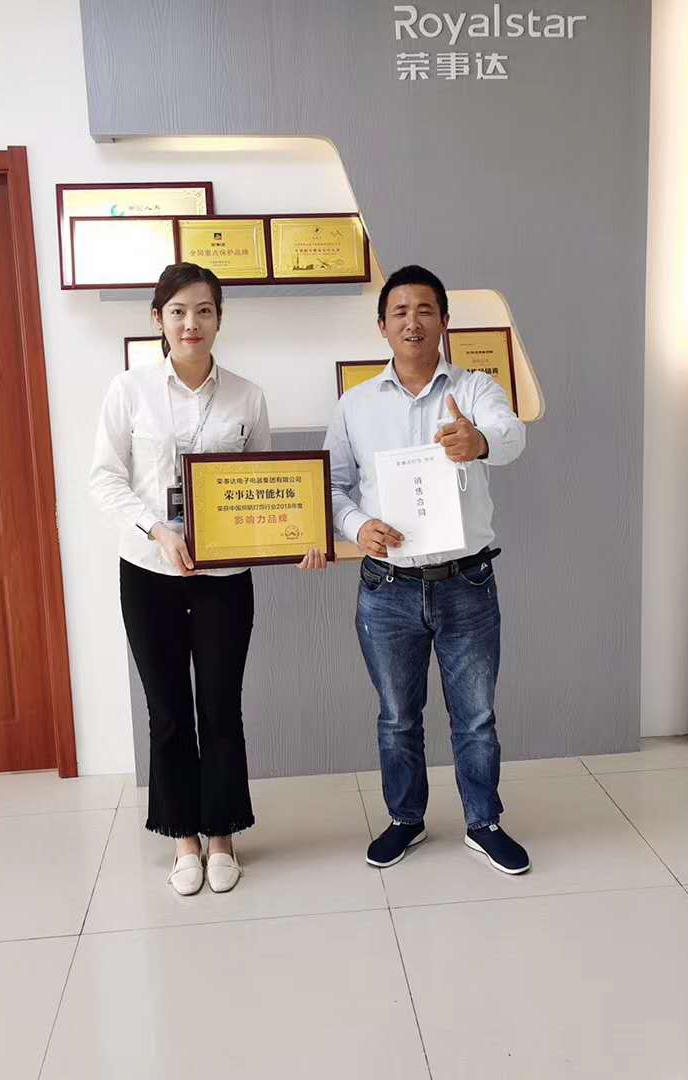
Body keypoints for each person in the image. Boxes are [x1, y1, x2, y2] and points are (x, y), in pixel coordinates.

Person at [90, 262, 322, 896]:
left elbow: (269, 488)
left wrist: (297, 539)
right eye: (178, 312)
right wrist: (156, 531)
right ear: (158, 319)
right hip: (150, 571)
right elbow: (105, 477)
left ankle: (222, 835)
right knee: (167, 711)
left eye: (204, 311)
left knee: (220, 706)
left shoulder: (247, 396)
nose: (190, 323)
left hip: (224, 576)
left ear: (219, 318)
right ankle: (183, 839)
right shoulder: (129, 390)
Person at [324, 264, 530, 874]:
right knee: (396, 717)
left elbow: (512, 436)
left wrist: (479, 442)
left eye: (424, 310)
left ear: (444, 321)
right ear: (382, 326)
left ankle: (483, 822)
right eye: (399, 312)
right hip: (387, 587)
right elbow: (332, 487)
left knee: (477, 717)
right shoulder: (355, 405)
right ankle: (405, 819)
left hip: (466, 583)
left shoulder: (475, 390)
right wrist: (357, 526)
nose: (412, 322)